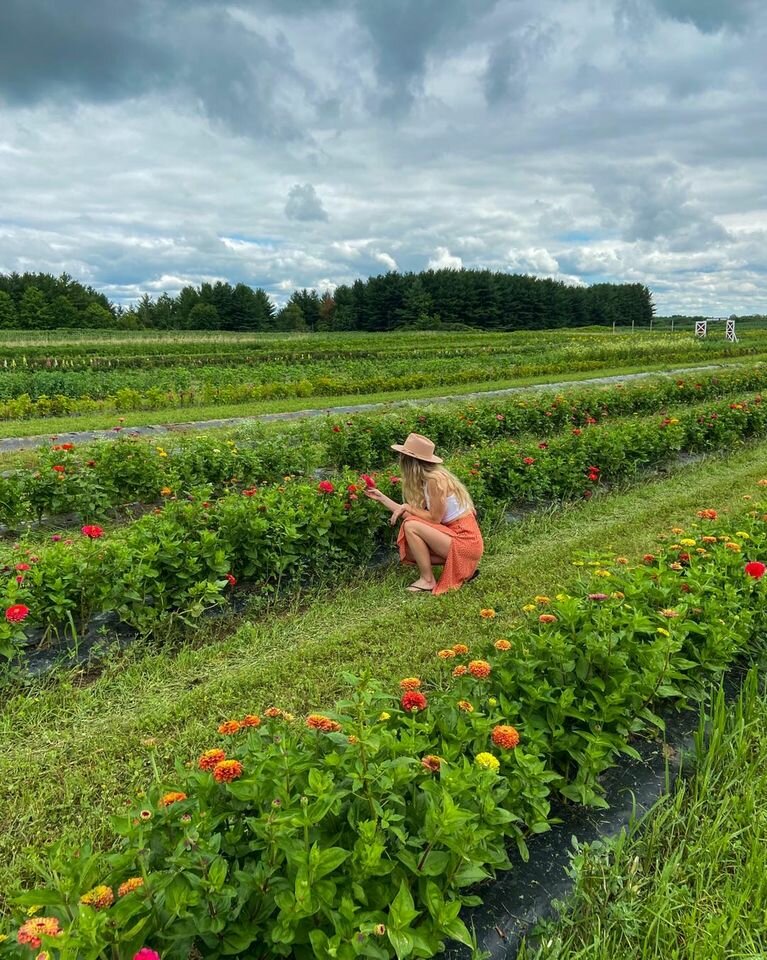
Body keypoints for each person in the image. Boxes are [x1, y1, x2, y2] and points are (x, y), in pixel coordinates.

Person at [364, 433, 483, 594]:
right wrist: (381, 498)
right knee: (411, 548)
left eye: (402, 457)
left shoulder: (434, 480)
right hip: (459, 537)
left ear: (409, 461)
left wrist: (408, 507)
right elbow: (415, 517)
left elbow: (434, 519)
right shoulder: (428, 480)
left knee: (410, 526)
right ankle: (463, 568)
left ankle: (427, 580)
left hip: (465, 540)